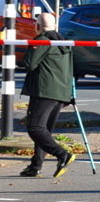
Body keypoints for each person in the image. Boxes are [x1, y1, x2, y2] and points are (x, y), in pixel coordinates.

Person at [20, 12, 76, 178]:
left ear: (37, 26)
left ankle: (63, 155)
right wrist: (69, 94)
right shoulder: (63, 41)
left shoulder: (42, 40)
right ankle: (35, 166)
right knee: (45, 131)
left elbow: (29, 63)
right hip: (61, 92)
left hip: (44, 90)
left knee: (35, 128)